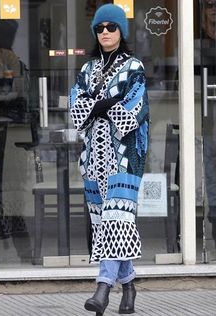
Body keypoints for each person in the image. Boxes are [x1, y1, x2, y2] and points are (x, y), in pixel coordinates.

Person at [69, 4, 149, 315]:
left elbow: (132, 116)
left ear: (121, 32)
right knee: (107, 225)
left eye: (111, 27)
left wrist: (98, 106)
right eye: (100, 28)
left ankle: (102, 289)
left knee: (118, 220)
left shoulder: (134, 68)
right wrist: (105, 104)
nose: (105, 32)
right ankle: (128, 288)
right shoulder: (87, 70)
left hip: (125, 160)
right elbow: (78, 114)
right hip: (92, 160)